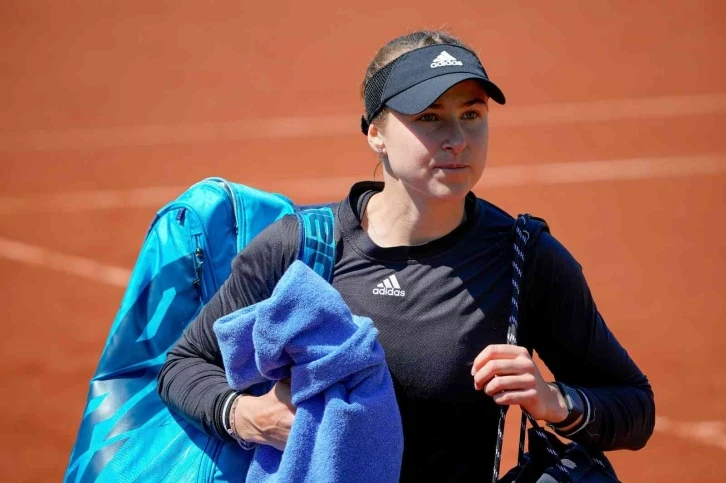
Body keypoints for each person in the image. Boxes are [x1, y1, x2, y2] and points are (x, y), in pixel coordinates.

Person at [158, 30, 655, 481]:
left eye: (472, 115)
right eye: (429, 118)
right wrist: (246, 417)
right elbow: (183, 364)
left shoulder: (523, 259)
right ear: (375, 133)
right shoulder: (301, 248)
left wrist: (557, 401)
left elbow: (634, 405)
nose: (457, 140)